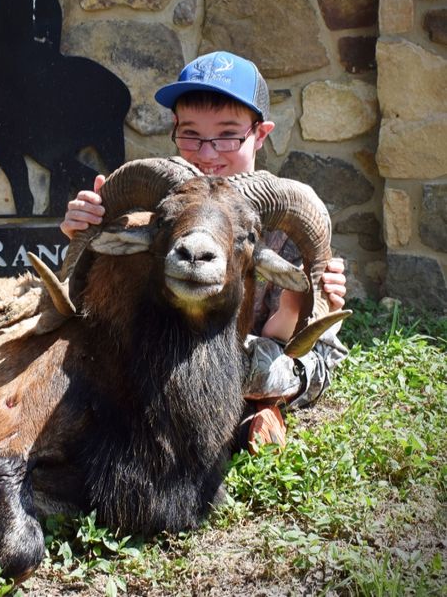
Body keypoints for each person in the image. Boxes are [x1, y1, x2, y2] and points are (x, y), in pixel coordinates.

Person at [60, 51, 348, 452]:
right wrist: (84, 234)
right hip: (160, 350)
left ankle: (260, 406)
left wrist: (316, 304)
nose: (208, 153)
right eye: (191, 134)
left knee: (297, 369)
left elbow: (301, 340)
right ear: (175, 130)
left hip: (252, 351)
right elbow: (89, 303)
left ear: (260, 134)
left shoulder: (283, 220)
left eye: (228, 134)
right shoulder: (157, 208)